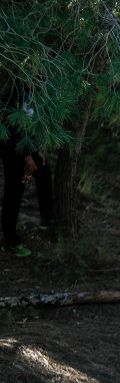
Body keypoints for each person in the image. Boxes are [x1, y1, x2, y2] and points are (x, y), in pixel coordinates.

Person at [1, 88, 54, 257]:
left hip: (27, 147)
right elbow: (10, 126)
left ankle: (47, 220)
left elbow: (32, 124)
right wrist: (26, 155)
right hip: (11, 148)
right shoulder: (11, 92)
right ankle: (10, 241)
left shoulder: (37, 90)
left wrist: (35, 150)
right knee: (14, 193)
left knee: (44, 170)